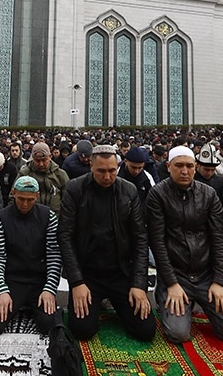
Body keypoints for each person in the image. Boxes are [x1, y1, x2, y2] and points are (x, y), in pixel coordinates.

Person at [147, 146, 223, 344]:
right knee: (179, 333)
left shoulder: (208, 194)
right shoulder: (157, 194)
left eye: (189, 166)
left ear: (195, 167)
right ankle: (170, 299)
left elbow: (218, 238)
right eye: (179, 166)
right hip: (176, 273)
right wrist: (172, 283)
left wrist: (218, 281)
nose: (184, 171)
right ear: (168, 166)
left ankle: (191, 302)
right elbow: (157, 242)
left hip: (205, 275)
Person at [58, 144, 154, 342]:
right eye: (101, 171)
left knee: (145, 330)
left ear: (118, 167)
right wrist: (77, 282)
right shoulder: (75, 189)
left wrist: (138, 285)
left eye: (112, 171)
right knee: (82, 330)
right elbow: (65, 236)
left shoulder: (128, 190)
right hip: (88, 274)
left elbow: (140, 239)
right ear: (91, 167)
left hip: (120, 272)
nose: (107, 176)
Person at [0, 176, 62, 335]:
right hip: (13, 279)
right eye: (21, 199)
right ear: (13, 193)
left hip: (39, 279)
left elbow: (54, 255)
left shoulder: (48, 217)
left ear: (37, 196)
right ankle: (21, 304)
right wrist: (1, 290)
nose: (25, 204)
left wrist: (49, 289)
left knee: (50, 326)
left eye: (30, 199)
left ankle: (29, 305)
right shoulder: (1, 218)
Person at [18, 142, 68, 214]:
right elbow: (14, 197)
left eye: (44, 160)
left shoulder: (60, 175)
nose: (41, 164)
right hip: (30, 219)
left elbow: (68, 200)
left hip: (56, 218)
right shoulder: (25, 174)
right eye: (37, 161)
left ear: (50, 157)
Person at [195, 143, 223, 212]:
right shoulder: (191, 180)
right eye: (206, 169)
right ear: (197, 166)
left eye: (212, 170)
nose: (209, 173)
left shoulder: (220, 181)